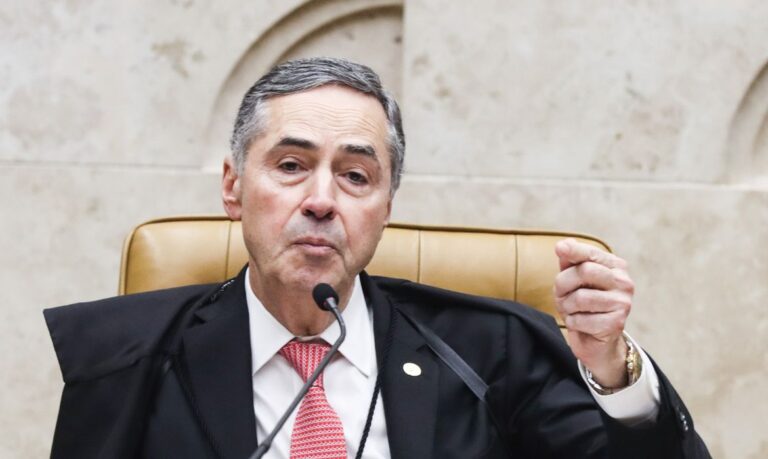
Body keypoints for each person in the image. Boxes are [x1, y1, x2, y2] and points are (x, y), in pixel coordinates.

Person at [44, 57, 710, 458]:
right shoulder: (133, 360)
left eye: (357, 176)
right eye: (291, 165)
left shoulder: (489, 352)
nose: (322, 200)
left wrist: (614, 373)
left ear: (386, 205)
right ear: (232, 187)